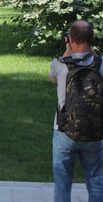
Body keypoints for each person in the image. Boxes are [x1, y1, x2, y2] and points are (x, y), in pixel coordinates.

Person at [48, 20, 103, 202]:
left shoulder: (60, 64)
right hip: (94, 131)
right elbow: (94, 60)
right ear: (92, 38)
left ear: (70, 39)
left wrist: (68, 49)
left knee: (62, 185)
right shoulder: (101, 64)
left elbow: (52, 78)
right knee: (96, 182)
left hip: (64, 130)